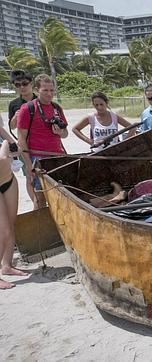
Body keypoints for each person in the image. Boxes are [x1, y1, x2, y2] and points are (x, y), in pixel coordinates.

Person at [16, 74, 68, 210]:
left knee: (61, 195)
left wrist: (60, 132)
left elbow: (65, 134)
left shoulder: (57, 108)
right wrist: (28, 165)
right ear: (37, 90)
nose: (49, 94)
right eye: (45, 90)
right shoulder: (28, 109)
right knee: (40, 197)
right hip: (37, 159)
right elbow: (21, 138)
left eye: (52, 90)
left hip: (57, 156)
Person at [7, 70, 37, 206]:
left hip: (42, 144)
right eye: (17, 85)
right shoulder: (14, 104)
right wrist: (15, 117)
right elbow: (11, 127)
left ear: (31, 84)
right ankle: (36, 203)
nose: (22, 87)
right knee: (30, 177)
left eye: (25, 83)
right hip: (24, 146)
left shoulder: (40, 100)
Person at [0, 140, 28, 289]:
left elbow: (16, 146)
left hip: (8, 179)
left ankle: (7, 265)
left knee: (10, 226)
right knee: (3, 230)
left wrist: (15, 149)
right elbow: (3, 158)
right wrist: (5, 145)